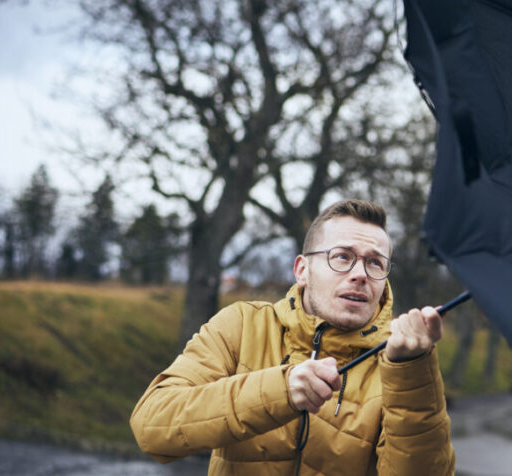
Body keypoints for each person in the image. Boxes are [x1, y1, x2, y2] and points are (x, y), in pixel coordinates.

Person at [130, 199, 455, 475]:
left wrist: (412, 375)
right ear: (302, 270)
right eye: (343, 256)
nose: (360, 274)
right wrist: (280, 390)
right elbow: (153, 427)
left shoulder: (401, 364)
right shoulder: (243, 325)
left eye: (375, 263)